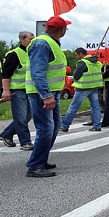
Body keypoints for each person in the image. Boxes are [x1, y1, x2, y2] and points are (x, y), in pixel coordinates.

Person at [24, 17, 70, 177]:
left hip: (51, 93)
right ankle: (35, 165)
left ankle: (40, 159)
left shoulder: (50, 42)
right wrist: (46, 95)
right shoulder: (42, 43)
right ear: (62, 30)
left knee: (55, 126)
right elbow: (38, 72)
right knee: (46, 128)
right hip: (42, 94)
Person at [0, 31, 35, 149]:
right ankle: (25, 142)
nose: (32, 41)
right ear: (21, 39)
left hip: (30, 90)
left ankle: (7, 134)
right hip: (17, 90)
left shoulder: (32, 53)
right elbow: (6, 74)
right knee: (20, 117)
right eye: (30, 39)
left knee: (28, 116)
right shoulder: (14, 54)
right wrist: (6, 90)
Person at [61, 47, 103, 132]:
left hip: (83, 87)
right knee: (95, 106)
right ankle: (97, 125)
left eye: (76, 55)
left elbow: (76, 76)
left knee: (74, 106)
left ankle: (64, 125)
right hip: (95, 87)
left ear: (81, 54)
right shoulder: (98, 63)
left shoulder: (83, 62)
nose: (76, 57)